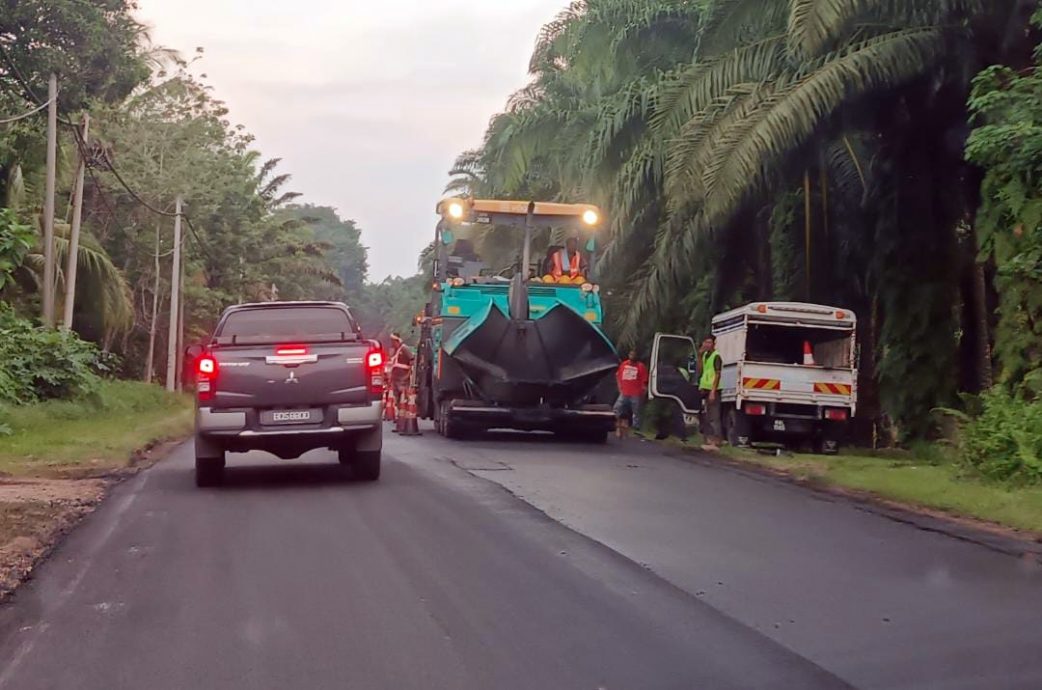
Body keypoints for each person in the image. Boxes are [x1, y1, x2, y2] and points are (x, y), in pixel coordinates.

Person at [613, 349, 648, 439]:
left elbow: (644, 382)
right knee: (617, 408)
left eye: (634, 355)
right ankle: (616, 426)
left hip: (635, 393)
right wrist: (619, 387)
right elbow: (618, 375)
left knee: (636, 412)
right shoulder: (624, 364)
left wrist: (643, 393)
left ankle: (636, 429)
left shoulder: (641, 366)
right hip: (624, 392)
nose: (632, 356)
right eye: (631, 354)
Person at [698, 335, 723, 450]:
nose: (707, 344)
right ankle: (708, 439)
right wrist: (699, 355)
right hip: (705, 388)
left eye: (709, 342)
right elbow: (700, 370)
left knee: (714, 416)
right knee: (706, 416)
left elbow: (717, 374)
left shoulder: (716, 356)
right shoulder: (705, 356)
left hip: (714, 390)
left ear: (714, 344)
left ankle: (716, 441)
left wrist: (713, 391)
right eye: (705, 342)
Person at [388, 332, 413, 408]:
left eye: (393, 341)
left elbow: (411, 361)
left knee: (403, 395)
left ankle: (405, 410)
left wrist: (408, 374)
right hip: (395, 378)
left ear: (397, 341)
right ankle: (398, 411)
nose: (392, 343)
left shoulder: (404, 349)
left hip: (403, 378)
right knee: (396, 396)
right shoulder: (395, 350)